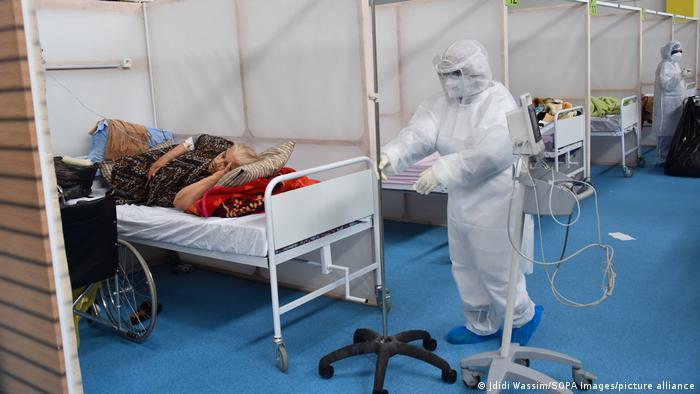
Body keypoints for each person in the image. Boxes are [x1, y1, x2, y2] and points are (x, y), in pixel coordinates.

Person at [377, 40, 542, 345]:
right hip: (462, 202)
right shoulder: (441, 104)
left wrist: (441, 170)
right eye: (446, 74)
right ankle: (480, 323)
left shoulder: (499, 102)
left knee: (497, 267)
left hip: (496, 201)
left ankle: (522, 316)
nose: (450, 81)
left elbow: (493, 154)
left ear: (475, 72)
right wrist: (391, 155)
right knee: (465, 265)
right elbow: (419, 133)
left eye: (456, 74)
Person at [110, 134, 258, 208]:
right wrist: (165, 158)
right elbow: (194, 140)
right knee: (128, 162)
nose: (218, 162)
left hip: (150, 185)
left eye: (227, 166)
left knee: (125, 169)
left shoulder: (214, 184)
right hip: (164, 160)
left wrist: (217, 176)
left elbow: (180, 202)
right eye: (223, 156)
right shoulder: (218, 145)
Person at [653, 41, 692, 163]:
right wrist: (681, 75)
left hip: (675, 103)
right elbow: (666, 85)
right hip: (666, 105)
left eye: (680, 51)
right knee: (666, 132)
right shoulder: (665, 65)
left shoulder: (675, 64)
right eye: (676, 52)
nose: (679, 54)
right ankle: (663, 160)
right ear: (668, 52)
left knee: (674, 131)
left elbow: (678, 84)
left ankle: (670, 158)